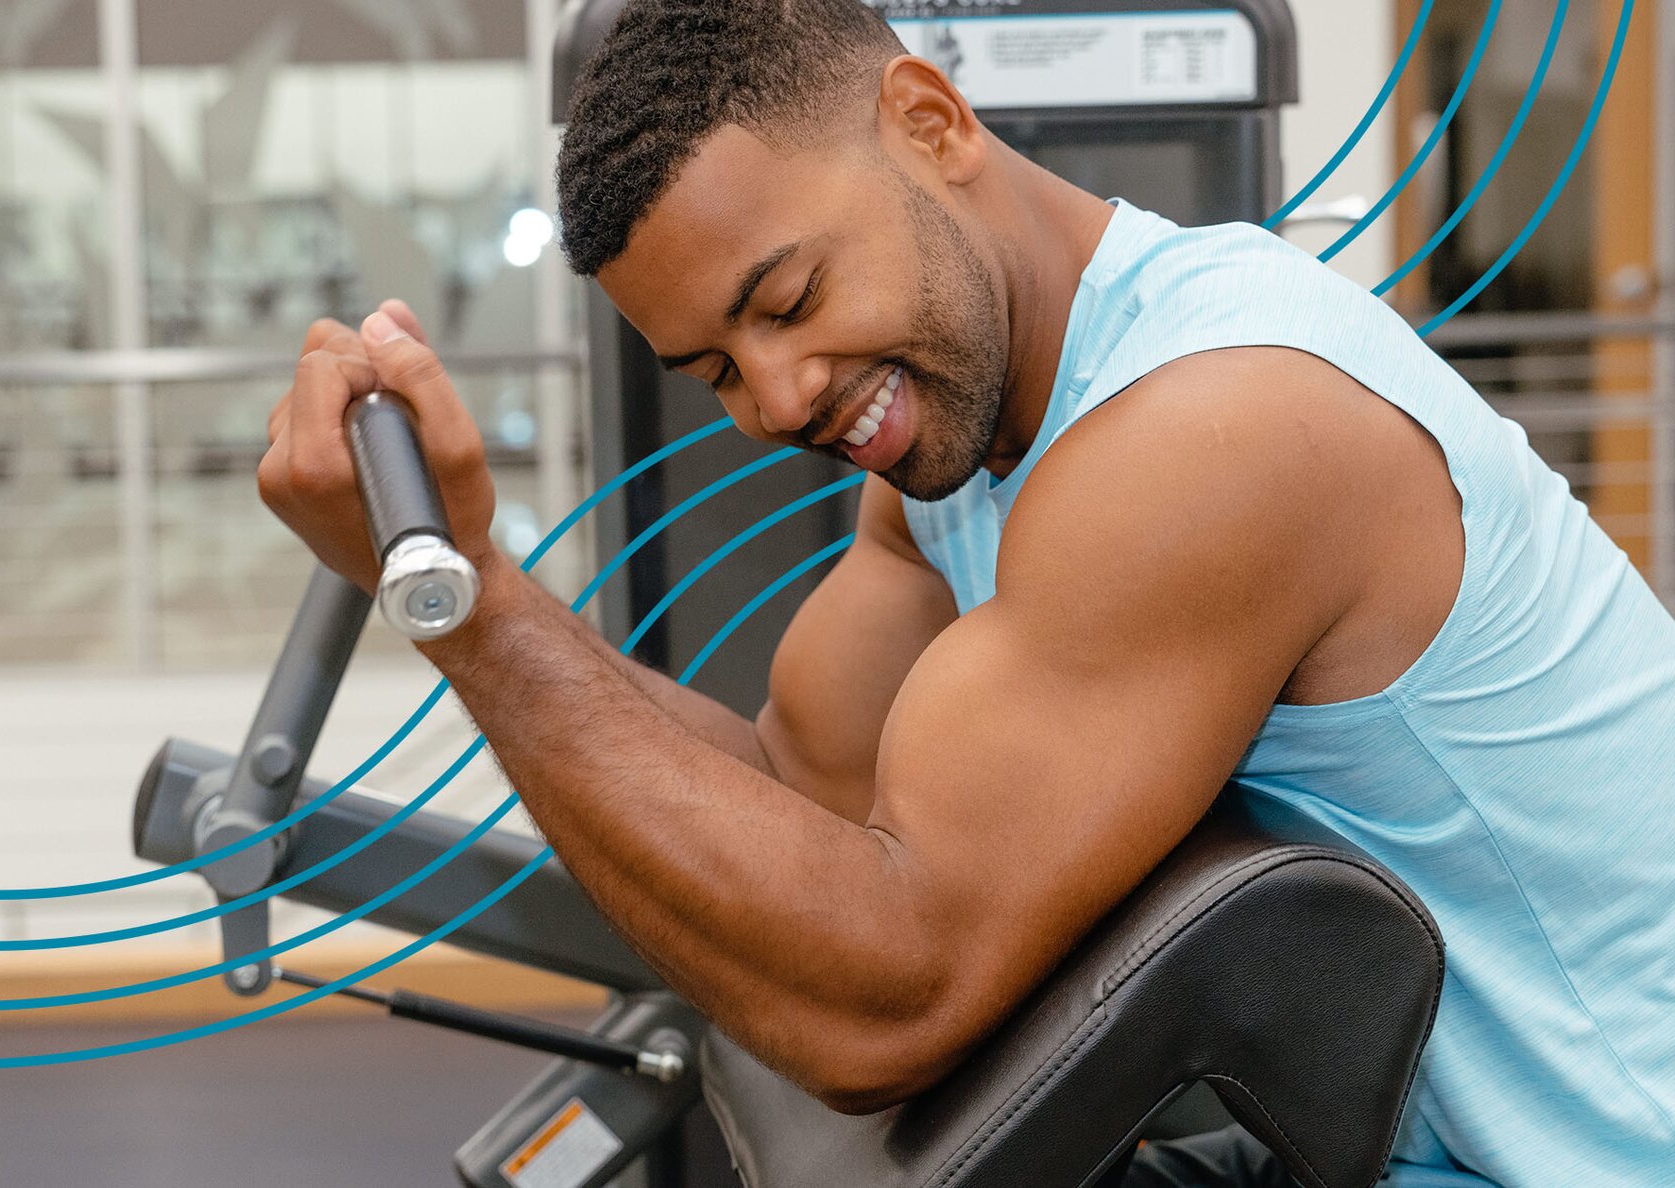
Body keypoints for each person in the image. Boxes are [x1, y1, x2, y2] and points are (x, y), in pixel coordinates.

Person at [257, 1, 1675, 1183]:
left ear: (932, 125)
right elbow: (792, 789)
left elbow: (889, 1000)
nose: (778, 399)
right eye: (716, 371)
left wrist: (476, 621)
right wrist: (457, 566)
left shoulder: (1213, 429)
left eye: (791, 300)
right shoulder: (958, 457)